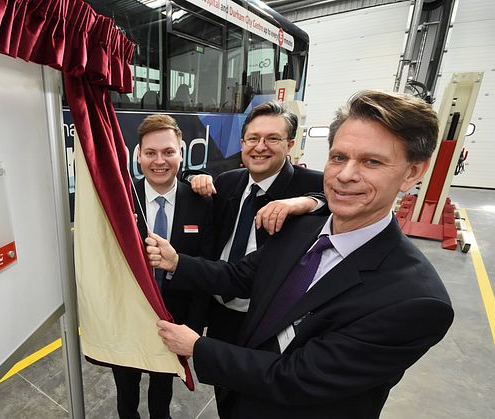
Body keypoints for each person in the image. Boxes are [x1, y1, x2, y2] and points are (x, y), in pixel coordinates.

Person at [145, 90, 454, 418]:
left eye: (371, 161)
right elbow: (241, 276)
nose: (346, 175)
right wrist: (177, 261)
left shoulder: (416, 303)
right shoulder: (299, 228)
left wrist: (197, 347)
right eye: (338, 157)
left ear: (412, 173)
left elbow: (297, 377)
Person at [185, 101, 325, 351]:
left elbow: (342, 203)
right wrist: (194, 177)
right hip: (220, 309)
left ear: (290, 145)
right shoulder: (229, 181)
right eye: (253, 139)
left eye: (272, 138)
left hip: (268, 317)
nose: (260, 147)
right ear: (242, 144)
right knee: (222, 382)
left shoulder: (312, 185)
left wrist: (307, 202)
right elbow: (182, 177)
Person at [111, 114, 214, 419]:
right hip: (127, 319)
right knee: (125, 392)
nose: (159, 161)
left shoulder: (201, 202)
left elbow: (205, 270)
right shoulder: (120, 200)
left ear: (181, 154)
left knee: (161, 391)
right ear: (138, 156)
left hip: (174, 319)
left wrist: (193, 328)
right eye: (151, 153)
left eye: (169, 152)